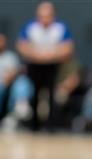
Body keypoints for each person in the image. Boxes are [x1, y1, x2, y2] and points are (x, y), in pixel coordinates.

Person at [16, 1, 74, 131]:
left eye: (47, 15)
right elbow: (22, 45)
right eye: (42, 15)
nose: (44, 18)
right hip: (34, 66)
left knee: (51, 95)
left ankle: (50, 125)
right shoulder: (31, 27)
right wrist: (36, 55)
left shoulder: (60, 28)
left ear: (53, 15)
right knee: (33, 94)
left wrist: (50, 56)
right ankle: (33, 124)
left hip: (52, 67)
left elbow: (68, 48)